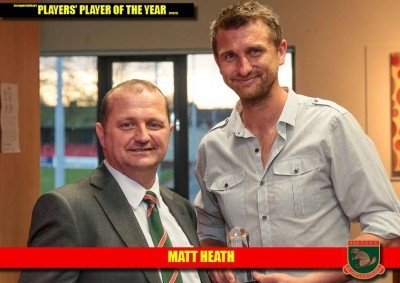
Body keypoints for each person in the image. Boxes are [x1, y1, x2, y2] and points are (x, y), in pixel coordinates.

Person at [193, 1, 400, 282]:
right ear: (218, 63)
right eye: (230, 56)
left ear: (280, 52)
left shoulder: (331, 125)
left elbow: (387, 224)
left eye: (255, 51)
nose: (243, 67)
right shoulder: (212, 147)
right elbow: (209, 229)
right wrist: (214, 254)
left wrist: (315, 280)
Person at [19, 79, 210, 283]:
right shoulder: (66, 210)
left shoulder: (182, 209)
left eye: (154, 125)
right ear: (102, 135)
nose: (143, 136)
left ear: (168, 133)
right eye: (127, 125)